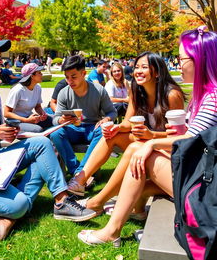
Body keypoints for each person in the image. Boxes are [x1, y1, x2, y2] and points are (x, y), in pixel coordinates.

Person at [77, 25, 217, 246]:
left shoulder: (210, 98)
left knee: (140, 153)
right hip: (198, 171)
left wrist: (152, 142)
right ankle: (107, 202)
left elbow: (189, 142)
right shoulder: (203, 96)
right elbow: (194, 138)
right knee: (136, 151)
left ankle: (110, 226)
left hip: (206, 184)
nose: (177, 64)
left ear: (200, 59)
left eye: (182, 59)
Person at [0, 34, 96, 241]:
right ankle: (1, 216)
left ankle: (62, 201)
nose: (0, 60)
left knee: (42, 143)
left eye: (0, 55)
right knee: (19, 205)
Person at [68, 52, 184, 197]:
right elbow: (128, 122)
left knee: (133, 147)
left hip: (165, 147)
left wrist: (152, 135)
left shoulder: (171, 95)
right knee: (111, 136)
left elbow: (180, 137)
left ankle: (103, 198)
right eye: (136, 67)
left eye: (144, 67)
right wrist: (117, 127)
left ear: (157, 72)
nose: (138, 71)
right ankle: (79, 181)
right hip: (146, 140)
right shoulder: (137, 92)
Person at [50, 55, 117, 177]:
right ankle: (78, 171)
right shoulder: (64, 92)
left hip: (92, 128)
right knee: (55, 134)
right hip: (73, 129)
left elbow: (112, 112)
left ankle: (81, 172)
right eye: (67, 78)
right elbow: (55, 119)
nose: (70, 81)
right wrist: (61, 119)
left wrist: (106, 119)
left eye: (73, 77)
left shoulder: (98, 90)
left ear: (83, 73)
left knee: (103, 131)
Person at [4, 63, 53, 133]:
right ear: (32, 76)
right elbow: (6, 113)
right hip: (15, 121)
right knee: (37, 130)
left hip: (29, 117)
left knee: (53, 120)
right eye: (39, 73)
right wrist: (26, 120)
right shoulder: (18, 90)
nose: (42, 74)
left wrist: (42, 113)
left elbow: (38, 107)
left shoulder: (37, 87)